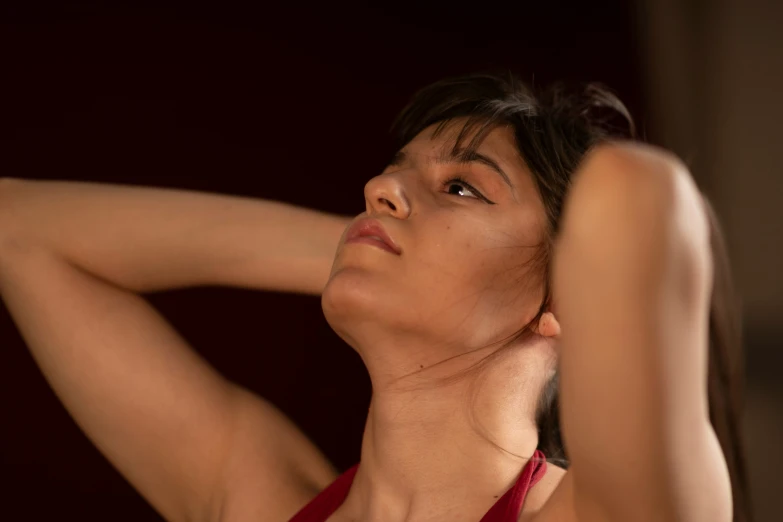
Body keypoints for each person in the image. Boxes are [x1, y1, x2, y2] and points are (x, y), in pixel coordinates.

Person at [0, 73, 750, 522]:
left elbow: (639, 196)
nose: (378, 189)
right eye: (392, 174)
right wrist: (357, 249)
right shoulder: (258, 498)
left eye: (462, 187)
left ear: (567, 300)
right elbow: (17, 228)